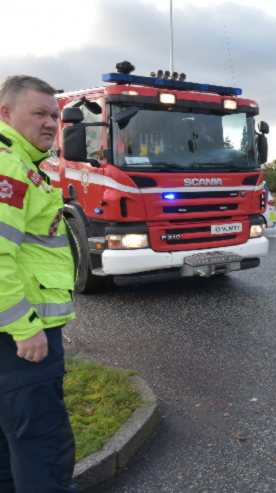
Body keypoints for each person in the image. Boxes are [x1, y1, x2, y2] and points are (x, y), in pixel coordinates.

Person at [0, 75, 78, 492]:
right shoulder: (9, 167)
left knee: (12, 444)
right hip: (23, 337)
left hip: (12, 331)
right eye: (39, 113)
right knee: (42, 443)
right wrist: (26, 328)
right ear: (6, 113)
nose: (50, 122)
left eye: (54, 114)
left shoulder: (21, 162)